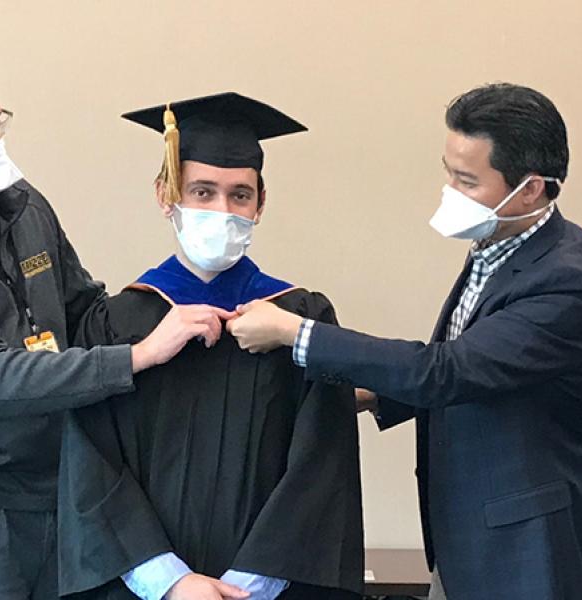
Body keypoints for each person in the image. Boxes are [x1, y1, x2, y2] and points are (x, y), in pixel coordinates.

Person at [0, 44, 230, 600]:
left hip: (56, 493)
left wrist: (182, 288)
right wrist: (138, 356)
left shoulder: (23, 204)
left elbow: (86, 314)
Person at [227, 83, 582, 600]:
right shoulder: (498, 246)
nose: (450, 190)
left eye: (467, 180)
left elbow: (448, 371)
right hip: (467, 545)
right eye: (448, 171)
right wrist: (373, 395)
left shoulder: (569, 280)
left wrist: (295, 332)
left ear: (529, 189)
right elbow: (487, 369)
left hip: (531, 555)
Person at [58, 93, 364, 600]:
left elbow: (322, 462)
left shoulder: (296, 319)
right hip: (147, 588)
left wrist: (251, 584)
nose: (222, 211)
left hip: (268, 590)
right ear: (166, 195)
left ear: (260, 204)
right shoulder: (118, 323)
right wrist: (169, 581)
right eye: (202, 192)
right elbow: (91, 462)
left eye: (239, 195)